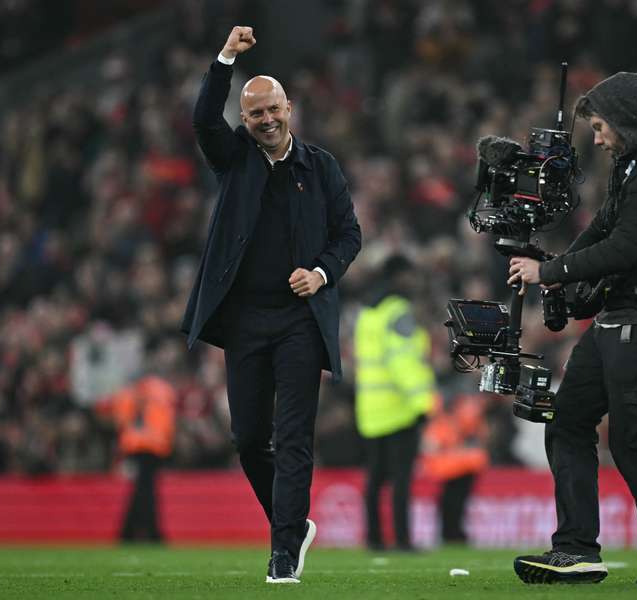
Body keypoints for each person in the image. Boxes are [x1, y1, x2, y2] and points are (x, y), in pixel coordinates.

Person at [507, 72, 637, 584]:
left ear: (626, 120)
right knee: (569, 424)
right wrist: (554, 270)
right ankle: (576, 550)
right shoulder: (634, 166)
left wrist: (549, 273)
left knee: (633, 442)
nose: (596, 138)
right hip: (619, 319)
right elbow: (600, 231)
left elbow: (625, 248)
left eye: (600, 126)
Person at [180, 26, 361, 583]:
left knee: (293, 437)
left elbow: (348, 235)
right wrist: (225, 60)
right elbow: (204, 121)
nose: (266, 120)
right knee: (248, 438)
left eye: (273, 109)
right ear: (247, 117)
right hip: (245, 321)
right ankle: (294, 524)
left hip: (299, 320)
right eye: (255, 113)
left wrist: (322, 272)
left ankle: (283, 550)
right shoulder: (233, 157)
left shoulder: (322, 166)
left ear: (290, 108)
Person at [354, 255, 435, 551]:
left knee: (375, 480)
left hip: (370, 409)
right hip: (399, 408)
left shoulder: (367, 312)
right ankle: (402, 539)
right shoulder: (398, 311)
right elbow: (403, 361)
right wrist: (423, 403)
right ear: (399, 276)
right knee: (401, 480)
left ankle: (373, 539)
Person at [97, 373, 176, 543]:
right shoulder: (163, 389)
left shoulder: (129, 392)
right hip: (155, 445)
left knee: (142, 490)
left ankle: (132, 532)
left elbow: (118, 419)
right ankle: (145, 532)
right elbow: (168, 420)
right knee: (145, 490)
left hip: (137, 444)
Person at [421, 392, 489, 544]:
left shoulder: (447, 421)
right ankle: (452, 532)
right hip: (461, 466)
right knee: (454, 501)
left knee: (452, 501)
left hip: (459, 466)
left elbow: (432, 446)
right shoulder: (454, 418)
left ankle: (451, 532)